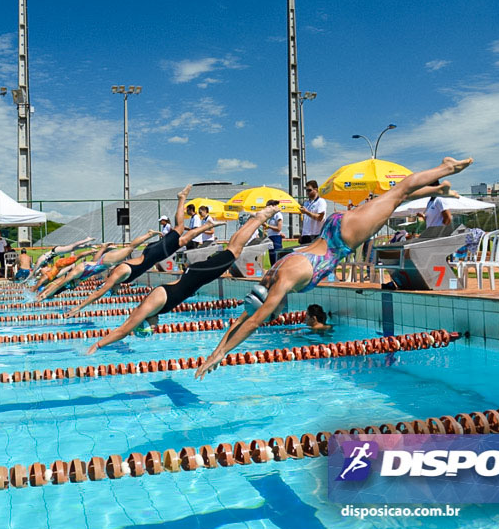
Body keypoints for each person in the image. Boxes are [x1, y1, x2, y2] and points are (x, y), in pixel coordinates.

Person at [194, 156, 473, 379]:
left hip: (343, 239)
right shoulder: (271, 275)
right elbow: (246, 316)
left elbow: (254, 321)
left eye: (273, 311)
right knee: (394, 197)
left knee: (399, 191)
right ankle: (438, 188)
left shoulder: (283, 282)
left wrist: (223, 354)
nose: (276, 315)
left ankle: (445, 167)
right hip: (333, 229)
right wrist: (217, 351)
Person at [85, 205, 281, 354]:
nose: (155, 328)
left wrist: (98, 344)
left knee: (233, 251)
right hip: (196, 275)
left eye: (150, 329)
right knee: (233, 250)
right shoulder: (154, 308)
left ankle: (258, 219)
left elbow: (123, 330)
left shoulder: (147, 308)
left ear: (144, 322)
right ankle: (253, 221)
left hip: (198, 275)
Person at [64, 185, 226, 316]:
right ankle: (207, 225)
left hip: (154, 253)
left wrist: (79, 307)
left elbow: (98, 293)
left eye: (114, 291)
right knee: (183, 239)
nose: (115, 292)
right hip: (153, 254)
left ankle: (182, 199)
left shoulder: (117, 275)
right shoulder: (121, 277)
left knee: (179, 229)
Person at [37, 230, 159, 301]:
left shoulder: (76, 273)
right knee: (126, 250)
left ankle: (149, 234)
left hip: (106, 262)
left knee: (130, 248)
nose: (77, 286)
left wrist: (45, 295)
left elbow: (59, 284)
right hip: (103, 263)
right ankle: (105, 247)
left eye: (74, 285)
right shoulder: (82, 274)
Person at [298, 180, 327, 244]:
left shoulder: (321, 201)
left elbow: (320, 218)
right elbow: (305, 220)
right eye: (306, 190)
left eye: (309, 190)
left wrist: (306, 212)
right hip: (305, 235)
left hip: (316, 235)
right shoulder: (306, 203)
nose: (307, 192)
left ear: (316, 190)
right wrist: (301, 234)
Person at [264, 199, 284, 264]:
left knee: (276, 257)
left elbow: (279, 228)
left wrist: (268, 226)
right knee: (271, 256)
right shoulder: (270, 215)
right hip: (270, 237)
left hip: (276, 238)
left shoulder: (278, 215)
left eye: (268, 207)